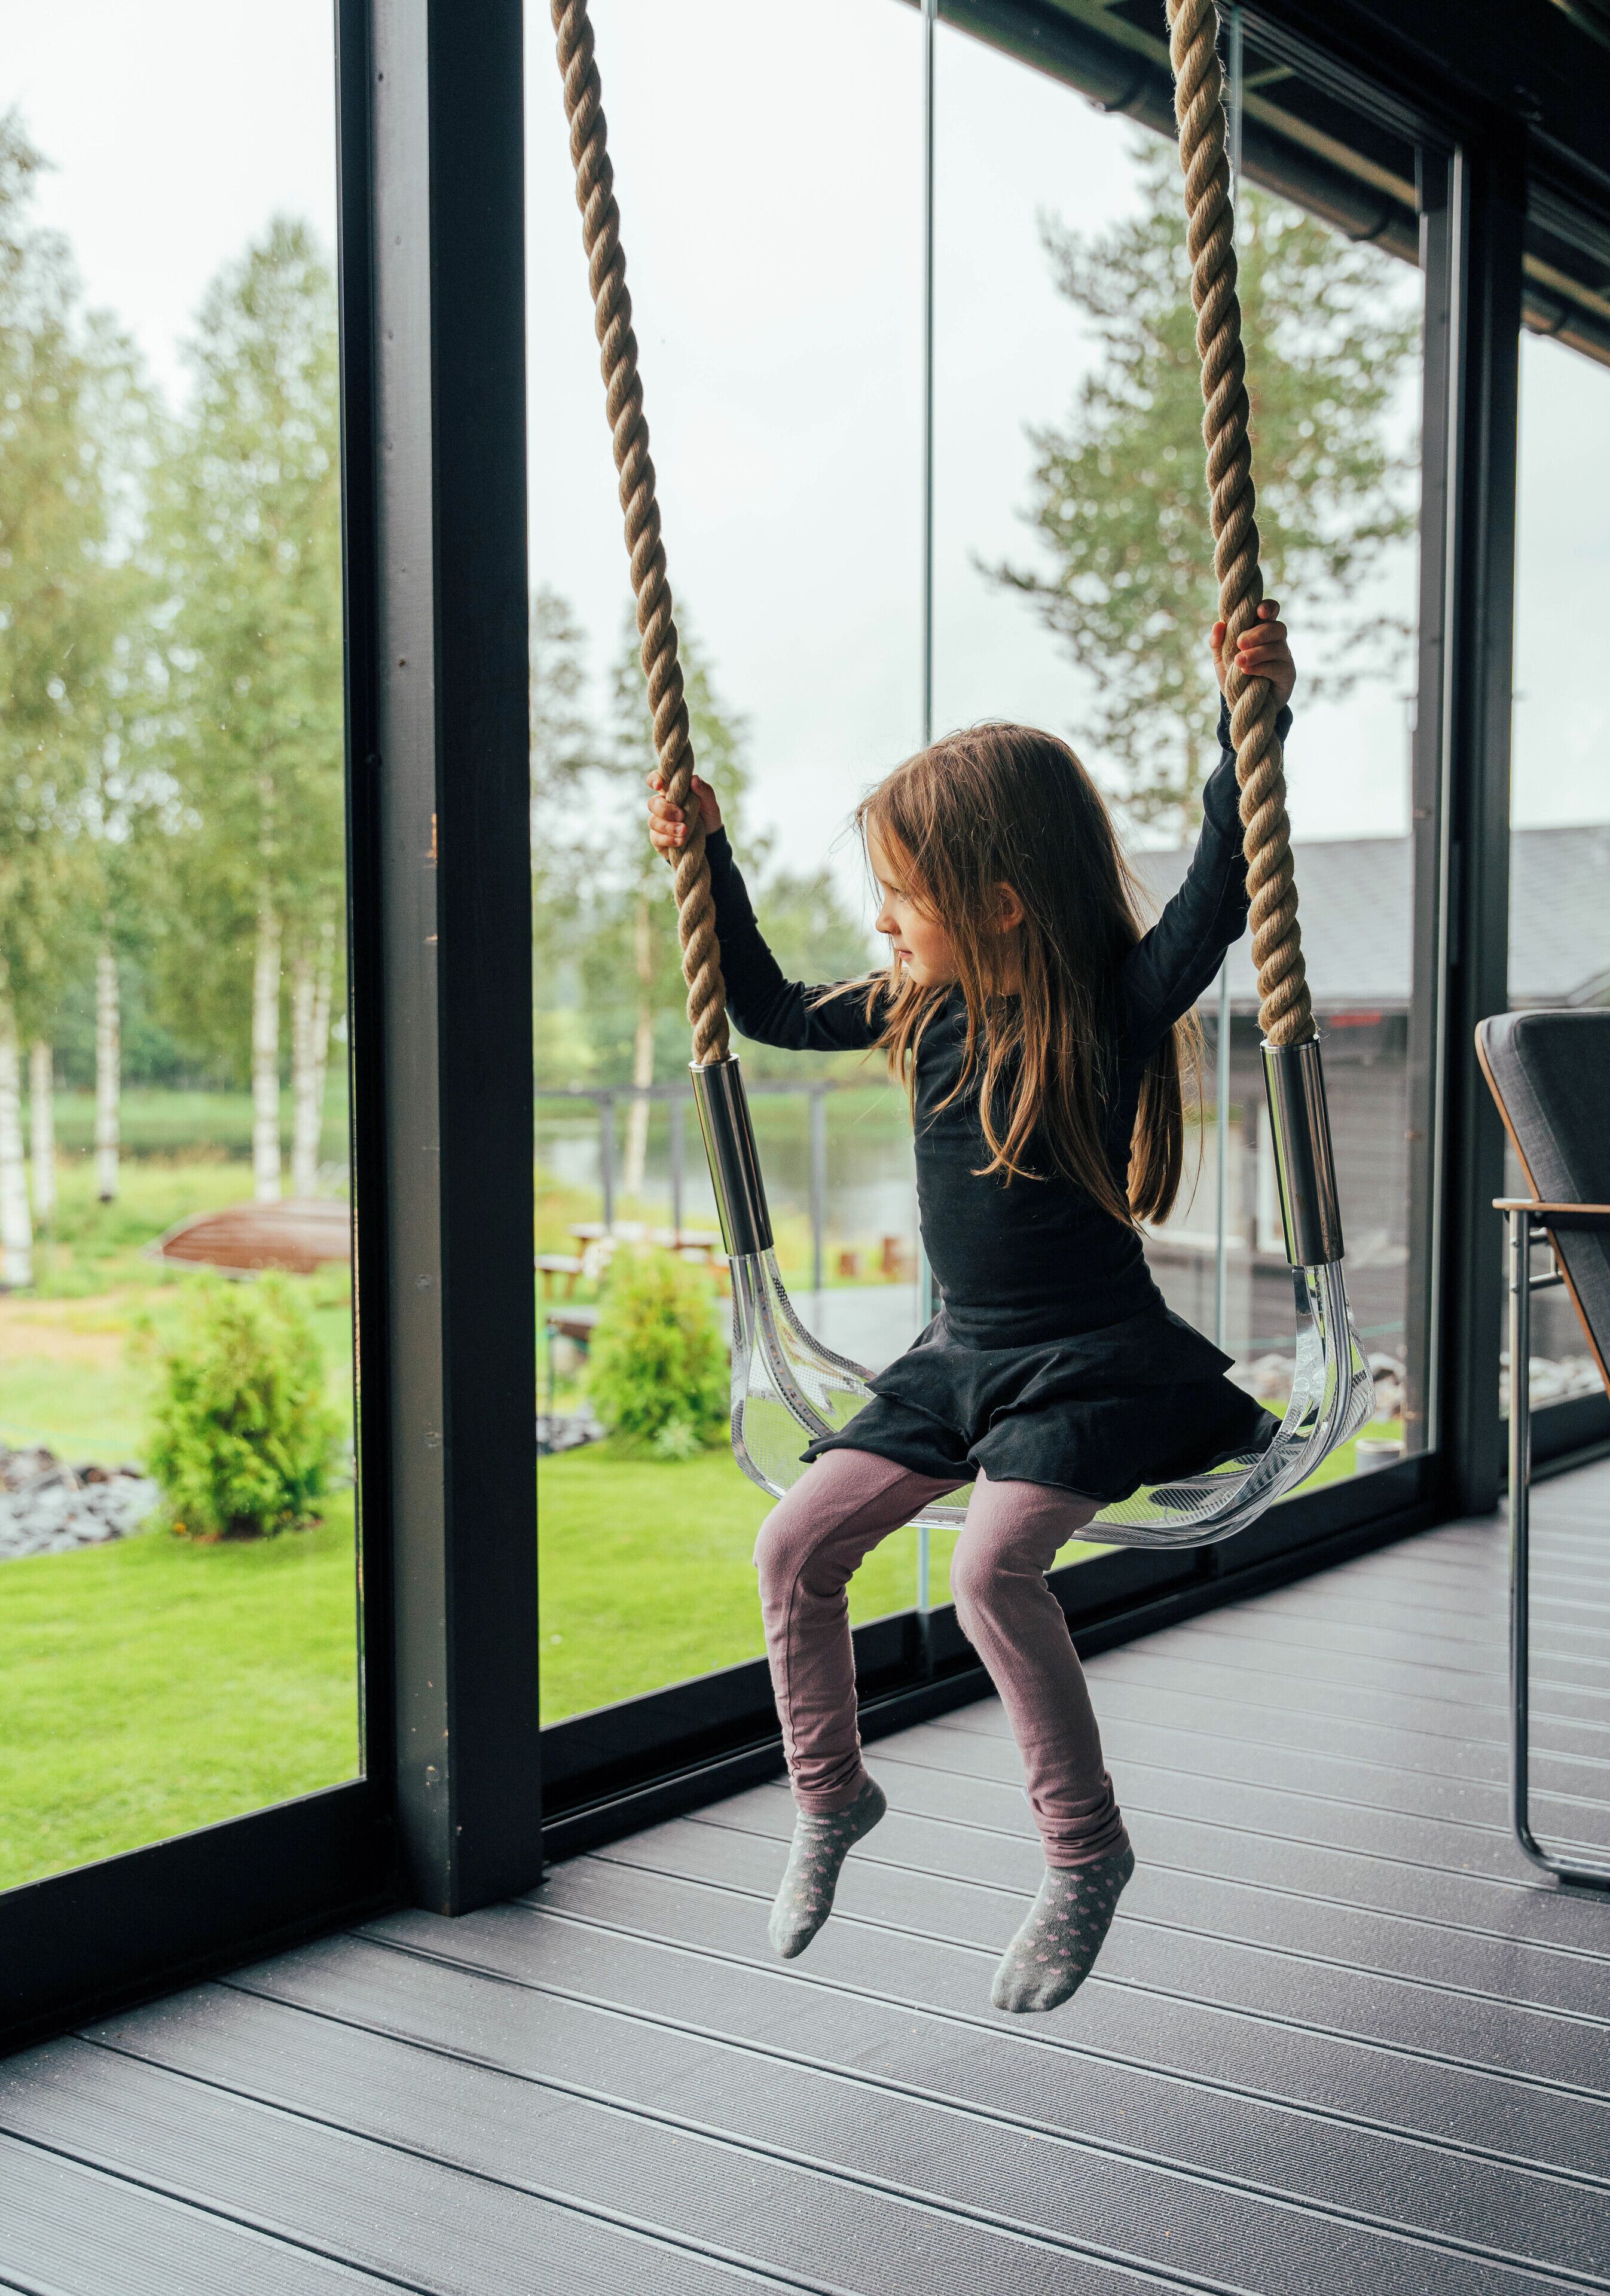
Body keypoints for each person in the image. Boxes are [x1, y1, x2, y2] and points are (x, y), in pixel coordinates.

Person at [647, 603, 1296, 2014]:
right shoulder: (908, 1011)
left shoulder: (1108, 1007)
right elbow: (753, 1002)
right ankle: (831, 1797)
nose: (882, 919)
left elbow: (1218, 888)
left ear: (1001, 902)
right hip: (961, 1362)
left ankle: (1084, 1853)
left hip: (1088, 1362)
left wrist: (1250, 725)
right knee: (792, 1546)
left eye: (904, 892)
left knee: (991, 1572)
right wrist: (708, 857)